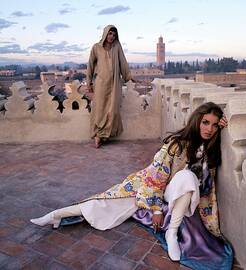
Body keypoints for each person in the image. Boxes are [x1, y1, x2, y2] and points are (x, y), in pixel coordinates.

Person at [30, 102, 233, 269]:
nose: (209, 129)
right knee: (105, 203)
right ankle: (56, 215)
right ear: (197, 120)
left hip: (180, 194)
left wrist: (226, 127)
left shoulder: (211, 151)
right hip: (149, 187)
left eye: (215, 125)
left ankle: (172, 233)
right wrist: (155, 209)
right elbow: (155, 177)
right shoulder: (176, 143)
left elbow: (205, 185)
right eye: (205, 122)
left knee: (187, 178)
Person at [86, 25, 135, 148]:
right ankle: (97, 135)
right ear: (105, 34)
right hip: (101, 84)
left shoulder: (117, 47)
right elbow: (90, 65)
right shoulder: (96, 48)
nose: (111, 37)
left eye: (114, 34)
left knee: (112, 110)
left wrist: (128, 76)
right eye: (109, 34)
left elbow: (123, 62)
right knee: (100, 110)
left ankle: (104, 136)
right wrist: (89, 82)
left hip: (114, 84)